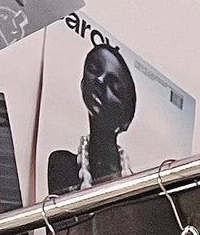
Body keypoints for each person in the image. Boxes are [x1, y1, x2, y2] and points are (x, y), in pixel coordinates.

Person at [47, 41, 139, 194]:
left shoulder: (139, 189)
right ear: (83, 85)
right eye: (94, 69)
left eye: (114, 86)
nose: (100, 80)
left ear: (126, 119)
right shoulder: (62, 164)